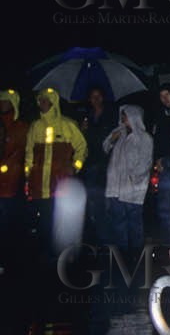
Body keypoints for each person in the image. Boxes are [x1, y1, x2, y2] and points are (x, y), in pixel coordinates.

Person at [24, 87, 88, 252]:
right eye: (40, 100)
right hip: (39, 186)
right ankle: (47, 255)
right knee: (43, 222)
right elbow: (29, 154)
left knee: (60, 222)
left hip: (60, 185)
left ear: (53, 102)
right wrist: (28, 175)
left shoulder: (68, 125)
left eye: (45, 100)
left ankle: (61, 254)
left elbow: (82, 148)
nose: (42, 103)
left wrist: (75, 167)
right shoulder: (35, 127)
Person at [102, 105, 153, 258]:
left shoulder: (144, 138)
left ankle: (136, 254)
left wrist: (134, 177)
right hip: (116, 188)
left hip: (133, 190)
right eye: (122, 116)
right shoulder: (120, 133)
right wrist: (112, 139)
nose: (123, 119)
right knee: (118, 222)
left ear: (134, 117)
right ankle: (122, 254)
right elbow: (105, 147)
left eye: (125, 116)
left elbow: (145, 162)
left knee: (134, 222)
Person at [80, 85, 117, 244]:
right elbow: (84, 142)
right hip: (91, 164)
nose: (95, 99)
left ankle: (107, 238)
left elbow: (110, 138)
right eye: (92, 96)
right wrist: (83, 130)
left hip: (106, 164)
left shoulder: (111, 115)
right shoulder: (86, 116)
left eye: (98, 96)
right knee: (92, 202)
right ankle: (96, 236)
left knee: (105, 202)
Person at [151, 83, 170, 245]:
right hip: (165, 164)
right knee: (164, 207)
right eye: (162, 96)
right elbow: (158, 140)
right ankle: (169, 243)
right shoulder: (160, 116)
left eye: (167, 95)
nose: (165, 99)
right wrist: (157, 159)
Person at [0, 88, 28, 245]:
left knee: (8, 215)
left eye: (5, 101)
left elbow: (23, 151)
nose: (2, 103)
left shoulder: (21, 127)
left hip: (11, 180)